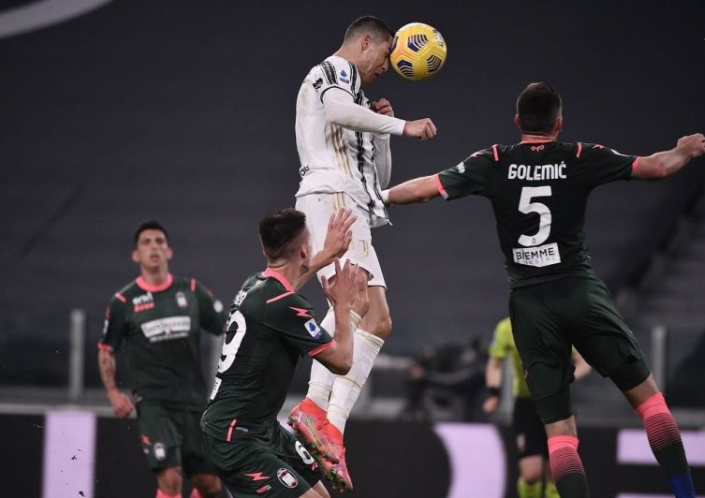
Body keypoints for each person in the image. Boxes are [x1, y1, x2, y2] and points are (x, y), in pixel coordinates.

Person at [384, 82, 705, 497]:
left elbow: (423, 189)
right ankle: (685, 494)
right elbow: (656, 168)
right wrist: (684, 150)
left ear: (518, 121)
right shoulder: (579, 156)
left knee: (560, 435)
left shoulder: (493, 161)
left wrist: (377, 197)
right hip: (579, 290)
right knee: (649, 403)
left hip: (531, 305)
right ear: (559, 123)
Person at [290, 15, 437, 492]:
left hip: (348, 200)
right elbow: (336, 112)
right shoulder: (334, 70)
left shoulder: (354, 98)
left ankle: (326, 422)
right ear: (366, 42)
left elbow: (378, 179)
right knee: (355, 305)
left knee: (376, 318)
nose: (387, 66)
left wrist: (382, 133)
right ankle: (318, 413)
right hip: (330, 198)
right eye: (387, 54)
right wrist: (404, 125)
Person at [201, 208, 369, 498]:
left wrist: (328, 255)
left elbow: (286, 289)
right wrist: (344, 308)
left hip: (260, 428)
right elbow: (342, 362)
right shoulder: (285, 305)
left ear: (265, 249)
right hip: (234, 438)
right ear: (303, 251)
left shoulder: (255, 285)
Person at [98, 220, 228, 498]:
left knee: (210, 485)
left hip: (193, 402)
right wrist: (112, 392)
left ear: (169, 251)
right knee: (170, 478)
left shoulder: (191, 290)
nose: (154, 247)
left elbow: (227, 327)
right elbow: (106, 349)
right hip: (154, 404)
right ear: (136, 255)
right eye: (146, 243)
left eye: (159, 242)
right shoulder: (124, 302)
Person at [483, 317, 591, 498]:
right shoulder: (506, 328)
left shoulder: (558, 323)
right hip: (526, 405)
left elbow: (583, 363)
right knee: (530, 475)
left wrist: (565, 378)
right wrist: (493, 394)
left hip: (557, 403)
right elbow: (494, 364)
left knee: (557, 474)